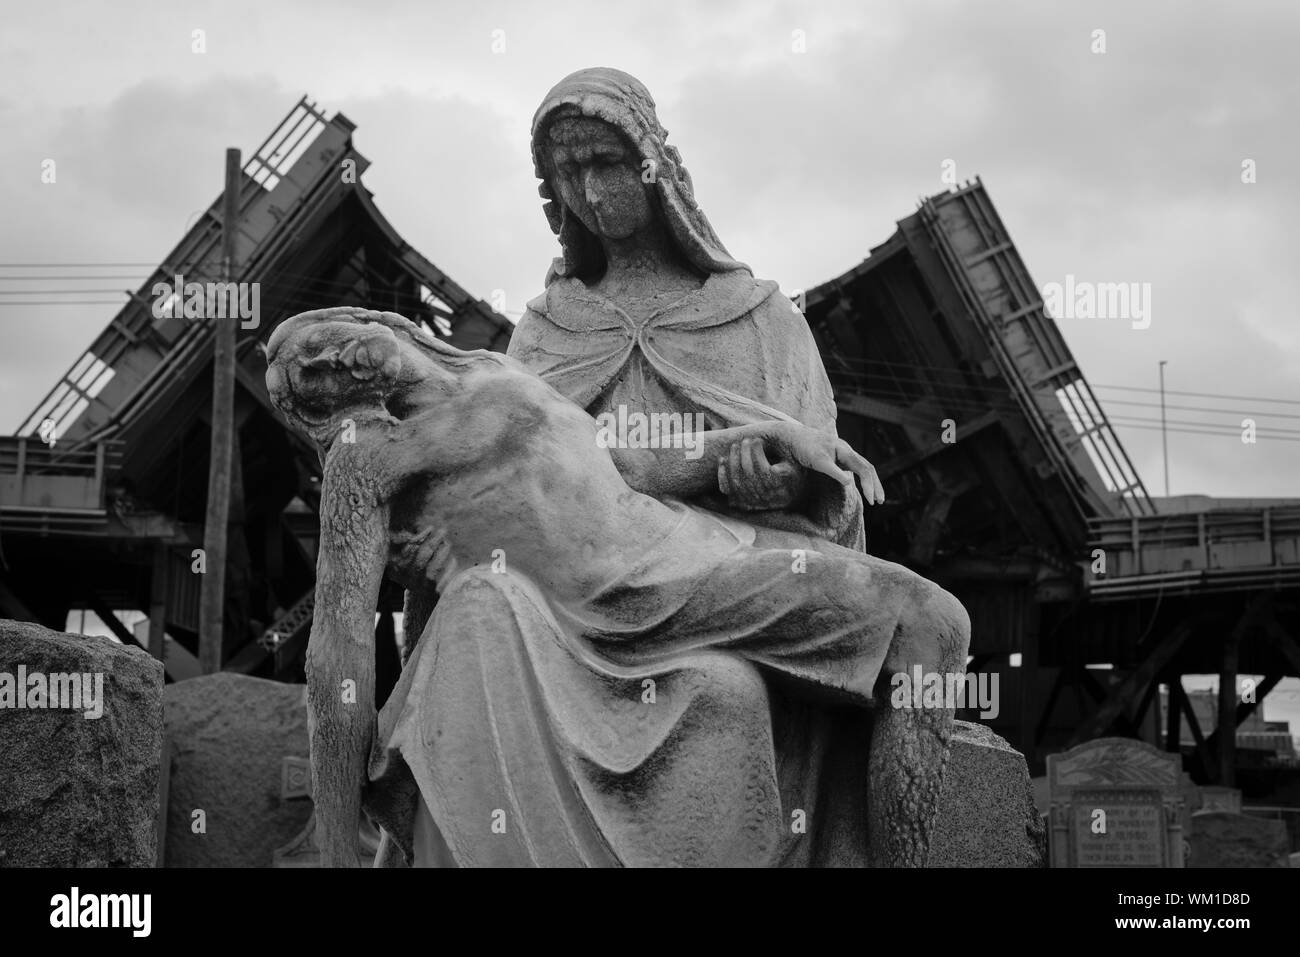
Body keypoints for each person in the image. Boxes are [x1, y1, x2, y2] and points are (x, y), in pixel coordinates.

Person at [267, 307, 970, 868]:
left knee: (933, 621)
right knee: (931, 623)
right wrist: (336, 846)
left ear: (371, 320)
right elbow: (338, 656)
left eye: (317, 341)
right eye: (309, 379)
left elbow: (628, 463)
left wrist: (775, 436)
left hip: (695, 554)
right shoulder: (369, 458)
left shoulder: (493, 372)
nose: (327, 362)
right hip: (621, 613)